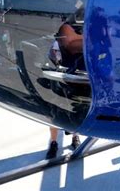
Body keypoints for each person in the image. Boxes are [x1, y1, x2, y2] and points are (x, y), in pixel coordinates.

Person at [45, 9, 85, 159]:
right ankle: (53, 142)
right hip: (61, 79)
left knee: (76, 110)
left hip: (78, 80)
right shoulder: (60, 38)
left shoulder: (83, 37)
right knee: (54, 114)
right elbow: (51, 58)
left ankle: (75, 136)